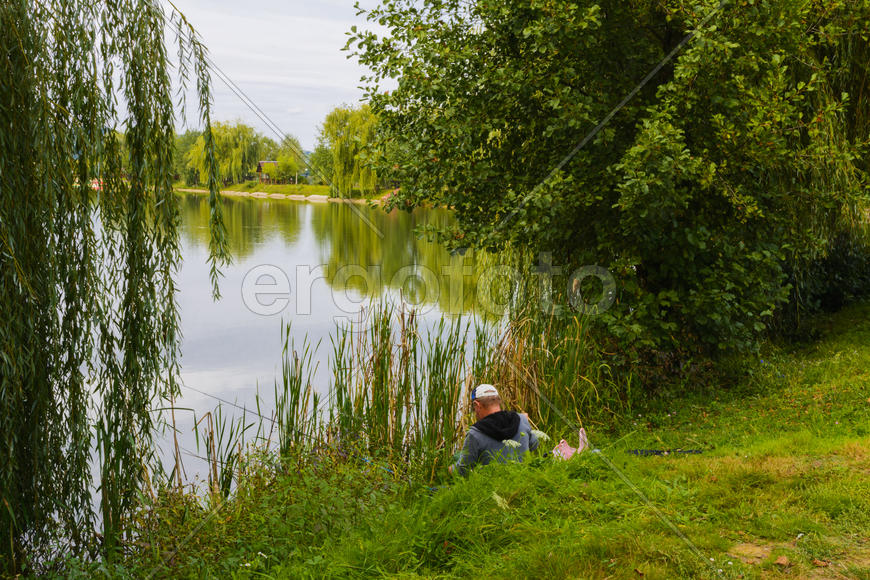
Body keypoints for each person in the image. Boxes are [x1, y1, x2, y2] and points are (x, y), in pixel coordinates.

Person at [450, 384, 539, 476]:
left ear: (477, 405)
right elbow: (534, 445)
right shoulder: (521, 419)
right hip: (523, 478)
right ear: (499, 401)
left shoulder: (475, 433)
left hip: (493, 486)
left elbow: (463, 471)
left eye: (474, 408)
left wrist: (450, 469)